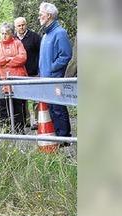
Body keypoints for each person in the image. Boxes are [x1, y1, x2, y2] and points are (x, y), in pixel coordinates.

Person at [37, 2, 72, 137]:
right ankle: (58, 135)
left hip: (55, 78)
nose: (39, 16)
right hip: (45, 78)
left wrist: (52, 68)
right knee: (52, 108)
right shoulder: (46, 35)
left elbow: (66, 55)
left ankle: (64, 136)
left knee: (58, 107)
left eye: (41, 14)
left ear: (49, 15)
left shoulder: (60, 33)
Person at [0, 22, 27, 133]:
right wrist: (8, 59)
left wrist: (7, 61)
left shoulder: (18, 43)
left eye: (6, 33)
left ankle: (20, 130)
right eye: (2, 33)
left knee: (18, 107)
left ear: (11, 33)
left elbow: (22, 58)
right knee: (4, 108)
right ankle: (7, 132)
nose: (4, 35)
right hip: (1, 82)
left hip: (16, 81)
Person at [14, 16, 41, 129]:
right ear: (15, 27)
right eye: (19, 25)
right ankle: (26, 120)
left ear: (26, 24)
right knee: (22, 100)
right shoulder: (14, 39)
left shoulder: (34, 37)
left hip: (33, 72)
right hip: (20, 74)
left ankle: (37, 121)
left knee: (36, 99)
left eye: (23, 25)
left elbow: (41, 53)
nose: (21, 27)